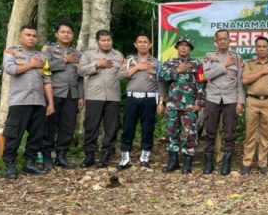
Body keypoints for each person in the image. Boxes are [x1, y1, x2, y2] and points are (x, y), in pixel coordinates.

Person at [1, 25, 55, 179]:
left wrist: (50, 103)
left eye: (34, 36)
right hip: (20, 101)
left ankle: (29, 163)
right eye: (28, 35)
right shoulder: (11, 52)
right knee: (14, 134)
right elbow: (10, 69)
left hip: (38, 102)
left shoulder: (41, 57)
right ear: (20, 37)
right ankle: (10, 165)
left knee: (37, 135)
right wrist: (31, 65)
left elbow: (47, 80)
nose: (31, 38)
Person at [77, 30, 124, 168]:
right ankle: (89, 155)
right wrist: (96, 65)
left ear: (111, 40)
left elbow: (123, 74)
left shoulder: (118, 55)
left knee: (111, 127)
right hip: (94, 96)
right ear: (97, 41)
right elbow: (79, 70)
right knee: (91, 126)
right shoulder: (89, 54)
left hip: (113, 96)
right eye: (103, 40)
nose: (106, 43)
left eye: (108, 40)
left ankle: (106, 154)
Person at [201, 29, 245, 176]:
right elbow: (207, 75)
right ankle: (208, 162)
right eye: (220, 39)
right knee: (210, 130)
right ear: (216, 40)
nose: (223, 41)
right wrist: (224, 64)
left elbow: (239, 81)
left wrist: (240, 101)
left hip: (231, 98)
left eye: (225, 38)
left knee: (229, 132)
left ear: (229, 40)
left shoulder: (237, 58)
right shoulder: (209, 56)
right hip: (213, 97)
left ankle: (226, 162)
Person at [159, 36, 205, 174]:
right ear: (177, 48)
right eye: (181, 45)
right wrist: (177, 70)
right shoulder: (170, 63)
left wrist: (199, 103)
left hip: (190, 106)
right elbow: (161, 77)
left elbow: (202, 84)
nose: (183, 47)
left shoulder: (197, 64)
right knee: (171, 132)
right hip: (173, 104)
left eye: (186, 45)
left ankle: (187, 163)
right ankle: (173, 162)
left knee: (190, 133)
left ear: (190, 48)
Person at [41, 21, 83, 170]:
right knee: (50, 125)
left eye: (69, 32)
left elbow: (80, 77)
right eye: (63, 32)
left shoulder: (77, 53)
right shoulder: (49, 50)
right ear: (56, 34)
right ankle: (47, 155)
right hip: (54, 93)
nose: (66, 34)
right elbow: (43, 67)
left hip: (72, 94)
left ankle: (61, 155)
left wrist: (80, 96)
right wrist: (64, 60)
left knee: (68, 125)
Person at [117, 33, 163, 169]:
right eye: (140, 42)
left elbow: (160, 83)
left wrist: (161, 102)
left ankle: (145, 157)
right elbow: (119, 76)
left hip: (149, 98)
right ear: (135, 44)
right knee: (128, 127)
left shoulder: (156, 62)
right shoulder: (129, 61)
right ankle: (125, 158)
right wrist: (137, 68)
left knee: (148, 128)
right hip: (132, 98)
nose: (142, 44)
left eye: (145, 42)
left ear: (150, 45)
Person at [241, 36, 268, 174]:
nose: (261, 49)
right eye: (258, 46)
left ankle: (262, 163)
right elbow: (245, 80)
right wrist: (262, 71)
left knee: (266, 134)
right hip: (252, 101)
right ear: (255, 48)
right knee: (250, 133)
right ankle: (246, 163)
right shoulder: (250, 64)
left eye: (264, 46)